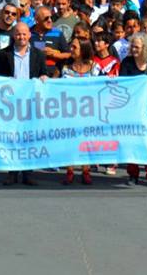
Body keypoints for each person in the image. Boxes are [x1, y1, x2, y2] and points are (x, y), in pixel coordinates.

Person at [0, 22, 47, 186]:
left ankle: (28, 173)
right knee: (13, 137)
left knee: (29, 137)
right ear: (13, 35)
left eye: (24, 34)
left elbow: (43, 73)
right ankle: (12, 172)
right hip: (11, 103)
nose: (21, 37)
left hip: (31, 102)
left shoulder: (39, 54)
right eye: (18, 34)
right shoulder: (4, 54)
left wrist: (44, 78)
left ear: (29, 35)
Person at [118, 32, 147, 187]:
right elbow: (123, 85)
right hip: (131, 110)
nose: (133, 49)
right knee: (132, 142)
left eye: (137, 47)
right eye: (132, 46)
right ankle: (133, 174)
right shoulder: (127, 63)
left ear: (145, 48)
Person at [60, 38, 98, 186]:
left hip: (89, 112)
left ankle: (86, 171)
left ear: (83, 50)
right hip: (70, 112)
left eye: (74, 47)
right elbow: (56, 86)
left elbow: (102, 87)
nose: (71, 49)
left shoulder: (94, 68)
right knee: (70, 142)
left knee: (87, 142)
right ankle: (69, 171)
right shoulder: (65, 68)